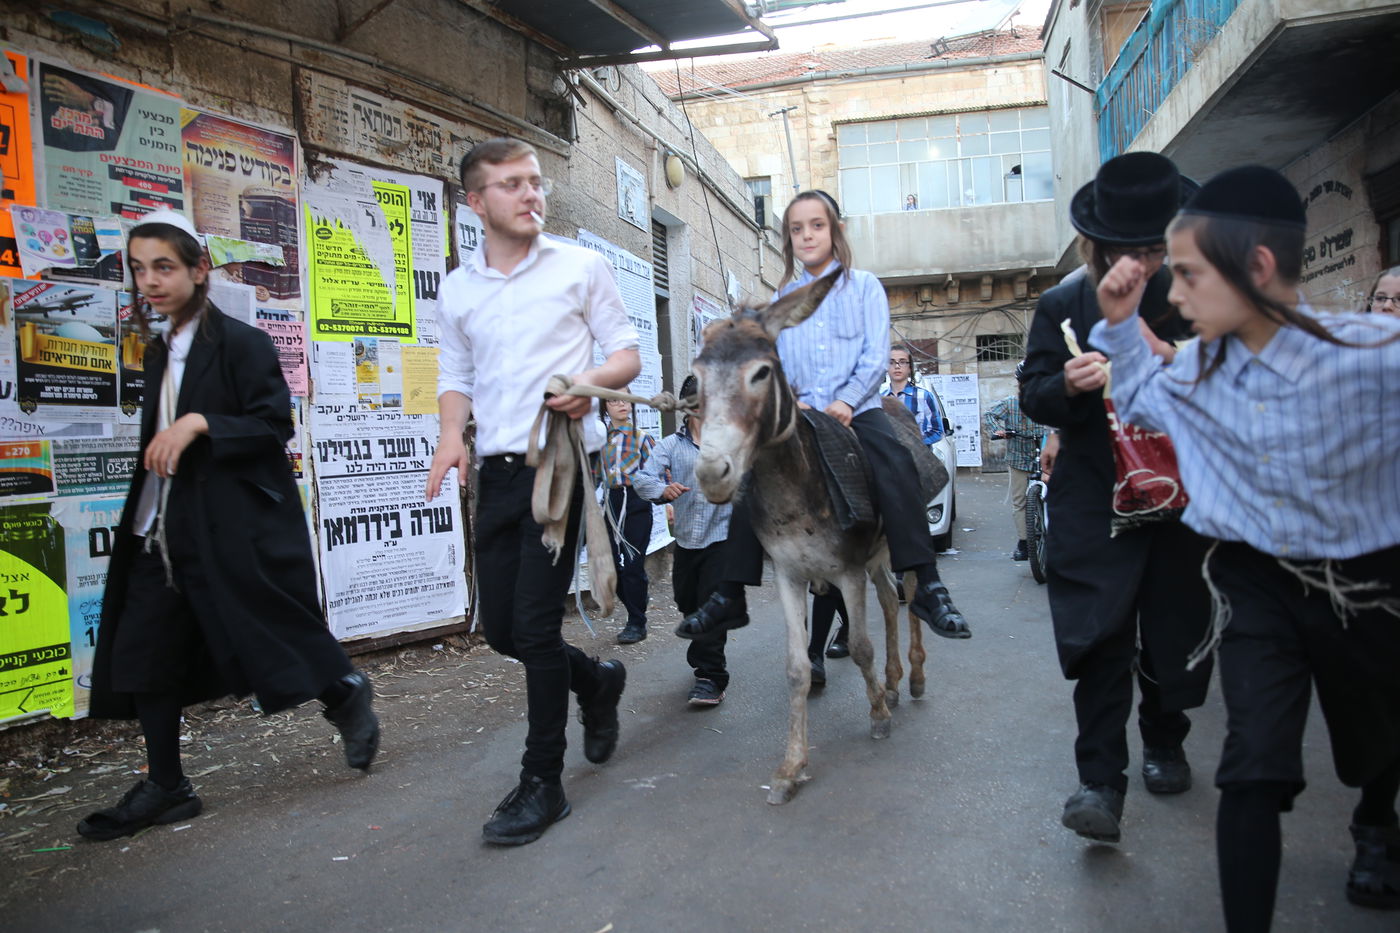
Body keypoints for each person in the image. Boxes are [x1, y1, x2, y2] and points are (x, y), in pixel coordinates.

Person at [1091, 165, 1400, 930]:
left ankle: (1377, 820)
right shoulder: (1195, 367)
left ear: (1256, 269)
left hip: (1370, 583)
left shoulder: (1375, 354)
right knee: (1251, 767)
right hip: (1256, 583)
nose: (1176, 293)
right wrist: (1123, 322)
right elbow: (1135, 400)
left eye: (1189, 274)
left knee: (1377, 741)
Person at [78, 209, 379, 842]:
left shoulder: (241, 343)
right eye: (139, 269)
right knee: (144, 651)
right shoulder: (161, 348)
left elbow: (275, 427)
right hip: (161, 527)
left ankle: (343, 690)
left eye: (164, 266)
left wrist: (201, 424)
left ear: (199, 269)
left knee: (264, 627)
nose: (150, 281)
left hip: (226, 525)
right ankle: (167, 785)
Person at [427, 138, 640, 846]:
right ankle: (596, 680)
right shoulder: (458, 290)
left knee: (538, 628)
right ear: (476, 201)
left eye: (535, 182)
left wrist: (591, 387)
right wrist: (451, 435)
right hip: (496, 471)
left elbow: (626, 354)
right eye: (512, 185)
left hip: (562, 467)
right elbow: (455, 375)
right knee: (504, 632)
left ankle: (543, 781)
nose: (531, 195)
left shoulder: (583, 266)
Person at [1021, 151, 1214, 845]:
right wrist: (1066, 387)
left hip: (1179, 494)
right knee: (1101, 637)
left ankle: (1166, 735)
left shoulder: (1200, 300)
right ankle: (1100, 780)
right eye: (1123, 247)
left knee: (1171, 632)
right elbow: (1033, 392)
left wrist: (1165, 355)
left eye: (1151, 247)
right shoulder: (1062, 303)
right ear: (1095, 243)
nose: (1137, 261)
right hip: (1093, 496)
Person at [675, 189, 969, 643]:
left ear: (835, 231)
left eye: (816, 225)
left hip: (857, 409)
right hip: (805, 413)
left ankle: (927, 581)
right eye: (796, 229)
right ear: (788, 238)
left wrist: (848, 401)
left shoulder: (865, 286)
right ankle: (730, 594)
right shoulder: (783, 300)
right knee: (753, 474)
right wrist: (793, 399)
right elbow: (773, 363)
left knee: (895, 461)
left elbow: (874, 356)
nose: (807, 235)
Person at [632, 374, 732, 706]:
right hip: (688, 541)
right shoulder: (670, 446)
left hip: (723, 539)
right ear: (685, 407)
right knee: (688, 602)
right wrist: (663, 490)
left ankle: (711, 677)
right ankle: (703, 654)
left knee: (709, 608)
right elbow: (643, 479)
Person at [599, 396, 655, 644]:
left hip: (635, 501)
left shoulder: (642, 438)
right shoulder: (599, 439)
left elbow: (657, 472)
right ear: (605, 407)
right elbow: (593, 474)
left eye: (625, 399)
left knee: (633, 563)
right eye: (613, 401)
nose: (621, 404)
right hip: (610, 502)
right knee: (609, 563)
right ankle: (637, 600)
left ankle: (636, 622)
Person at [983, 364, 1045, 561]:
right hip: (1018, 457)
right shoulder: (1011, 403)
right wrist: (998, 430)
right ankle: (1024, 542)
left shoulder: (1045, 402)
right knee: (1019, 501)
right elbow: (989, 415)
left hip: (1043, 457)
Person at [885, 345, 945, 446]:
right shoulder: (881, 399)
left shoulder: (924, 397)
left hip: (919, 459)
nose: (897, 366)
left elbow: (937, 431)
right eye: (892, 362)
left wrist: (915, 444)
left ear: (910, 367)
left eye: (902, 362)